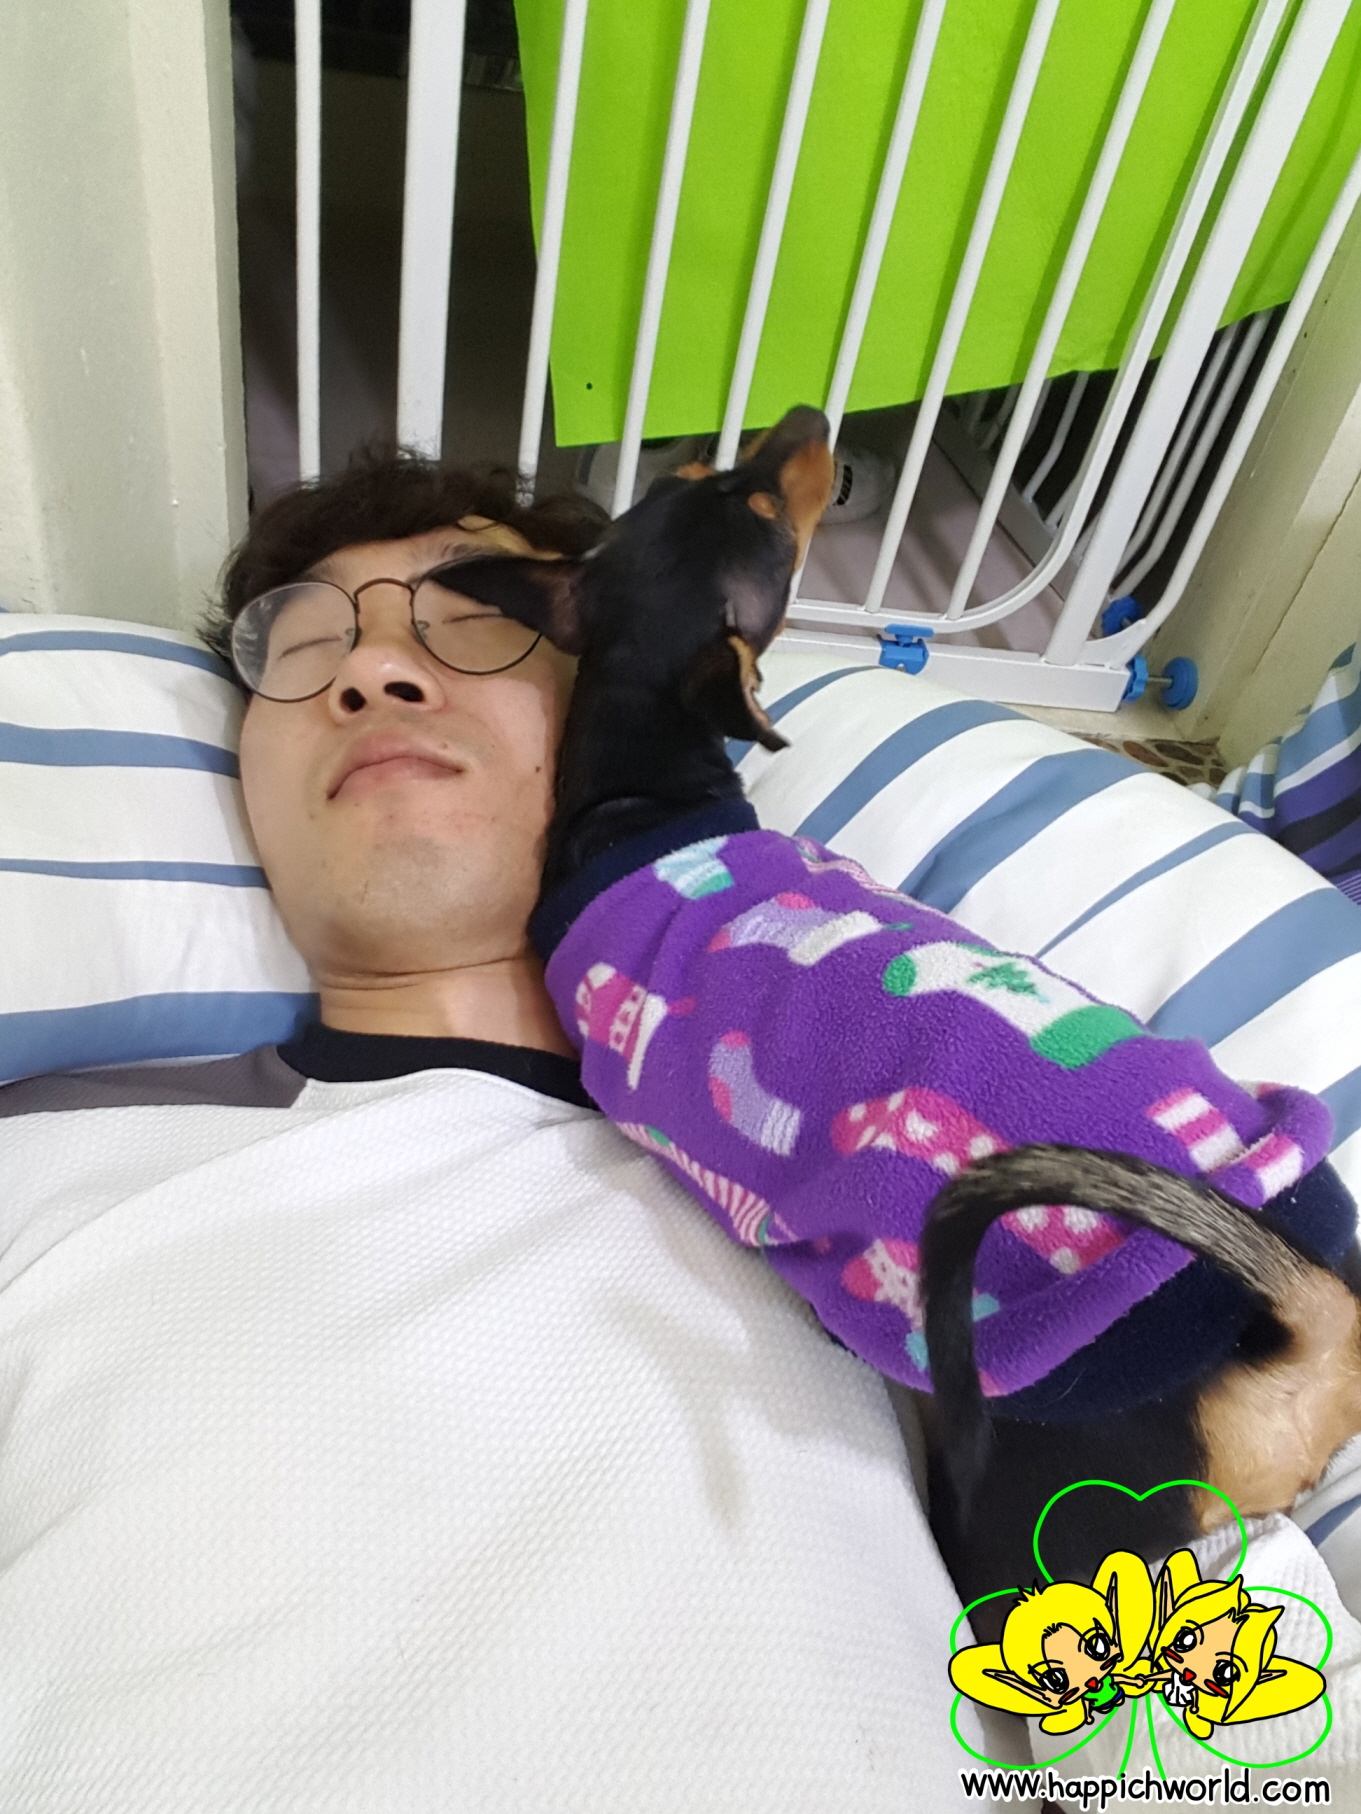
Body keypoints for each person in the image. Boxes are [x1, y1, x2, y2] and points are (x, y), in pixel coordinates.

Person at [0, 449, 1020, 1811]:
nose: (371, 672)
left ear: (625, 694)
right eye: (301, 649)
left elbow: (1191, 1654)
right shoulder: (45, 1164)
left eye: (476, 616)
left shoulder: (876, 1164)